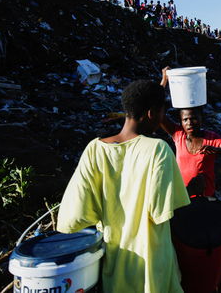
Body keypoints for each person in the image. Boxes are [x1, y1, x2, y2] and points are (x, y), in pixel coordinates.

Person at [57, 80, 189, 292]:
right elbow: (162, 212)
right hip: (153, 262)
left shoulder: (94, 149)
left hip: (115, 260)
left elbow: (73, 216)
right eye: (162, 112)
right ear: (151, 113)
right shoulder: (158, 150)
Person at [159, 68, 221, 197]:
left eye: (194, 118)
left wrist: (216, 150)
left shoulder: (212, 138)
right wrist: (164, 81)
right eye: (185, 120)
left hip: (205, 198)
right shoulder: (178, 135)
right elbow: (157, 113)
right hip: (182, 196)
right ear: (180, 122)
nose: (189, 123)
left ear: (202, 119)